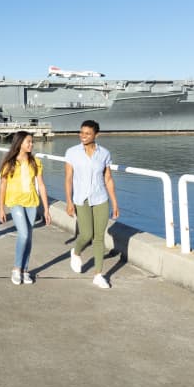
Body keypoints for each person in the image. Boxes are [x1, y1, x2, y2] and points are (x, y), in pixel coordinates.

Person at [65, 119, 120, 289]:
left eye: (87, 133)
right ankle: (76, 251)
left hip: (100, 198)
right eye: (81, 132)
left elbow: (108, 179)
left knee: (99, 237)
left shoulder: (104, 154)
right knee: (86, 234)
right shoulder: (72, 152)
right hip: (81, 198)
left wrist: (115, 203)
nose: (83, 136)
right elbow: (68, 179)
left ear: (96, 134)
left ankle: (98, 274)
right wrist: (68, 201)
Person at [0, 131, 51, 285]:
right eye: (28, 141)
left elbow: (41, 185)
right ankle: (16, 268)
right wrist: (1, 208)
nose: (31, 144)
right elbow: (3, 186)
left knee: (29, 237)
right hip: (15, 202)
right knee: (24, 234)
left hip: (32, 202)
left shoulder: (35, 162)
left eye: (32, 142)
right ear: (20, 143)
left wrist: (46, 209)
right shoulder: (10, 163)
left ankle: (25, 270)